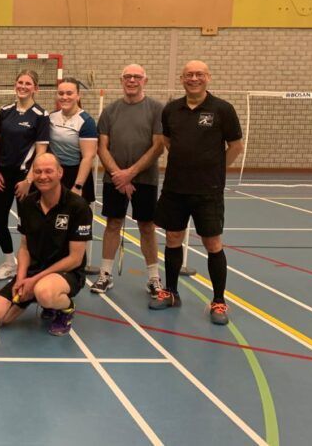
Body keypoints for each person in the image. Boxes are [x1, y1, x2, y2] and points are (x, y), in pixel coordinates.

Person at [151, 60, 243, 325]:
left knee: (213, 244)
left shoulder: (222, 109)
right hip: (175, 188)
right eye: (189, 74)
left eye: (199, 74)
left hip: (208, 191)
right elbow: (168, 141)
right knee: (172, 239)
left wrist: (216, 170)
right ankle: (170, 292)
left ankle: (218, 301)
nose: (194, 78)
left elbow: (235, 146)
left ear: (208, 78)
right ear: (182, 79)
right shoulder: (171, 110)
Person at [0, 153, 92, 338]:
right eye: (38, 171)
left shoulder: (78, 206)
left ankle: (65, 309)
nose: (43, 176)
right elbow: (24, 247)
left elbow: (75, 259)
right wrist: (21, 279)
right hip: (34, 271)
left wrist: (34, 282)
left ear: (60, 173)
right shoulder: (27, 203)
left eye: (48, 171)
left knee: (45, 292)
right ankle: (41, 298)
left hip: (66, 273)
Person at [92, 64, 165, 295]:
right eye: (127, 77)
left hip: (145, 179)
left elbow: (158, 146)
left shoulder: (156, 109)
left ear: (145, 80)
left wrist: (130, 174)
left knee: (146, 227)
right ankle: (105, 275)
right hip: (114, 179)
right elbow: (102, 148)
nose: (131, 80)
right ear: (121, 80)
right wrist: (119, 176)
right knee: (113, 224)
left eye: (137, 77)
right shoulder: (110, 111)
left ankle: (154, 278)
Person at [0, 70, 50, 281]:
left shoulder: (41, 116)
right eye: (20, 82)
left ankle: (30, 265)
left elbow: (41, 153)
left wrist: (28, 181)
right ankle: (9, 262)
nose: (23, 86)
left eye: (28, 83)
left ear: (36, 88)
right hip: (3, 176)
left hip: (26, 178)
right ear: (15, 84)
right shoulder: (5, 111)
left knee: (28, 224)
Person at [47, 78, 98, 203]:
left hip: (76, 175)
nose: (64, 97)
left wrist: (78, 186)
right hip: (55, 173)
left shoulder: (86, 122)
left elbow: (88, 157)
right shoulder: (51, 117)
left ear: (78, 96)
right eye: (61, 93)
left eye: (69, 93)